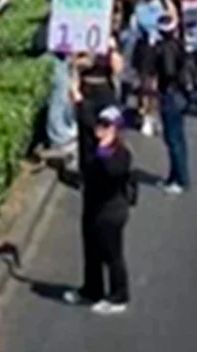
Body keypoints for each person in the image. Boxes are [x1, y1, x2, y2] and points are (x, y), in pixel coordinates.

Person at [67, 105, 134, 314]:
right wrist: (79, 102)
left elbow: (111, 172)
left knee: (112, 254)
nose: (100, 129)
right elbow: (86, 122)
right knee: (91, 251)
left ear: (116, 130)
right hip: (93, 206)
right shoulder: (94, 145)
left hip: (111, 211)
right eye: (100, 124)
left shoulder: (121, 154)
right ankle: (92, 289)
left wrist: (103, 150)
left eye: (106, 125)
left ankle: (119, 296)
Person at [148, 13, 194, 193]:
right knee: (179, 138)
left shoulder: (163, 49)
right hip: (181, 95)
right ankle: (175, 176)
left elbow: (167, 71)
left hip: (170, 95)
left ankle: (181, 179)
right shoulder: (179, 45)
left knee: (173, 139)